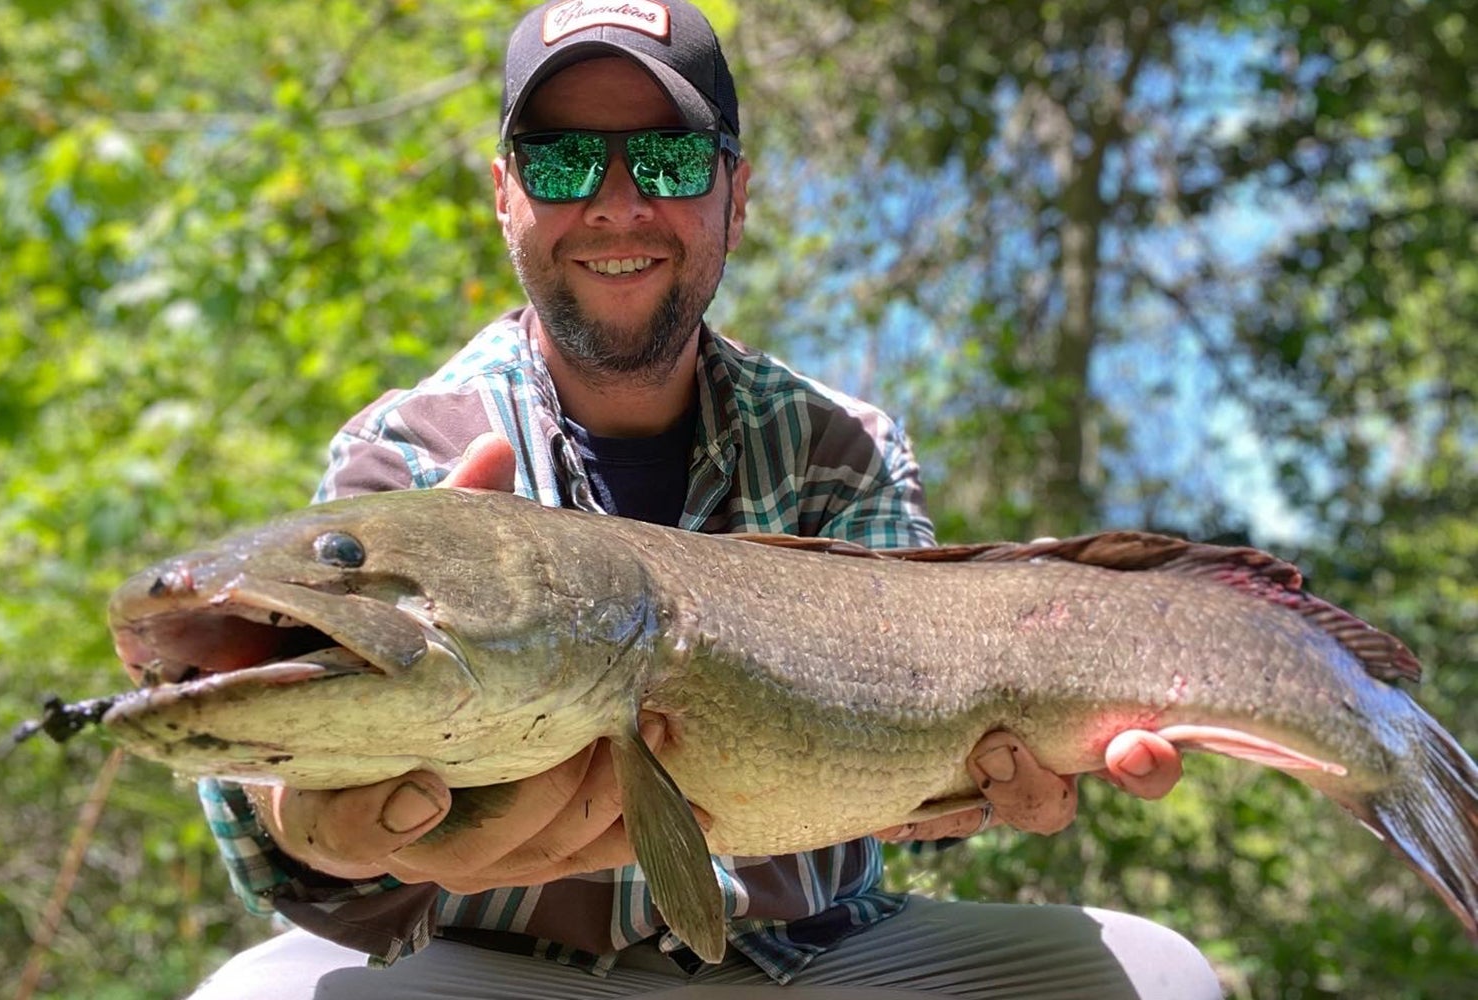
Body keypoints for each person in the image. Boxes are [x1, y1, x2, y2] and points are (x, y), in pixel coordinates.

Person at [187, 2, 1221, 997]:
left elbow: (929, 778)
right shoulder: (405, 454)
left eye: (672, 160)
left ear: (737, 194)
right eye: (562, 160)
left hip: (810, 960)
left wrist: (975, 786)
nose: (618, 204)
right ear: (506, 194)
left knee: (1161, 975)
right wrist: (305, 821)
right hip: (491, 966)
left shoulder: (843, 448)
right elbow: (265, 805)